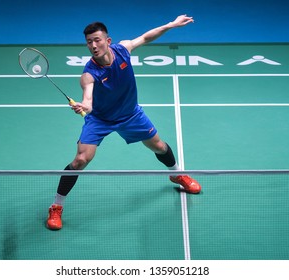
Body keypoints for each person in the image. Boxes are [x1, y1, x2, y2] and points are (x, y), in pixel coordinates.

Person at [47, 15, 201, 230]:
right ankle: (56, 206)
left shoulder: (123, 50)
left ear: (107, 41)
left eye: (97, 40)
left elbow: (146, 37)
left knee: (158, 146)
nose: (93, 45)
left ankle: (177, 175)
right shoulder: (89, 74)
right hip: (100, 119)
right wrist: (84, 107)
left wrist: (171, 25)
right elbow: (88, 100)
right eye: (89, 42)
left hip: (130, 115)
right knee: (81, 160)